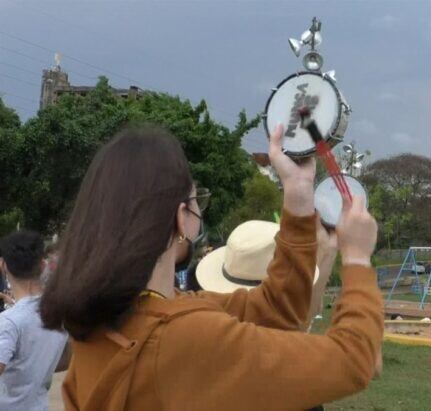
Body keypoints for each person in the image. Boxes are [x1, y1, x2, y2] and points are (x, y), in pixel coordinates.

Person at [39, 125, 383, 410]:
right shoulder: (185, 336)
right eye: (195, 201)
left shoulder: (102, 317)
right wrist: (356, 260)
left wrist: (297, 194)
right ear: (181, 218)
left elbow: (280, 310)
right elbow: (354, 360)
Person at [0, 230, 69, 410]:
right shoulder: (58, 313)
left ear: (3, 265)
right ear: (42, 264)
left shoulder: (9, 321)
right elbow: (67, 359)